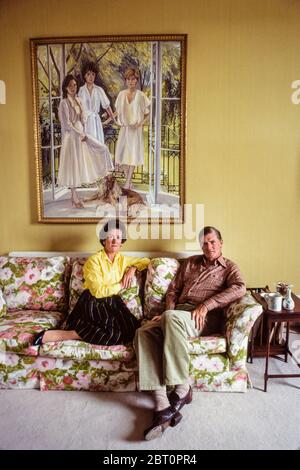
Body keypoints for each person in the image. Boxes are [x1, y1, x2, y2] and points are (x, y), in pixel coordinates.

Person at [134, 226, 246, 441]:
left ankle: (182, 387)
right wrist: (168, 312)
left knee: (170, 318)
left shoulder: (229, 267)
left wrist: (207, 304)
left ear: (221, 243)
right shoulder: (190, 263)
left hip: (204, 317)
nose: (209, 246)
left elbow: (240, 287)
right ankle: (162, 404)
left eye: (213, 242)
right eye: (205, 243)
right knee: (143, 332)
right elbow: (174, 289)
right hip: (178, 314)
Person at [33, 219, 150, 346]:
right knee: (110, 333)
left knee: (132, 330)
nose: (115, 241)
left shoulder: (123, 259)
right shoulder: (93, 261)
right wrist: (121, 285)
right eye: (111, 237)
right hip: (93, 302)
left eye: (118, 237)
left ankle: (81, 333)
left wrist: (132, 268)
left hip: (113, 302)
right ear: (104, 240)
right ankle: (64, 334)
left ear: (122, 242)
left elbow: (146, 261)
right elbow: (98, 292)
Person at [57, 74, 114, 208]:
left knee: (102, 149)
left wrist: (84, 123)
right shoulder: (63, 103)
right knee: (73, 164)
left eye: (75, 85)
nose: (73, 88)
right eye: (70, 85)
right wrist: (80, 133)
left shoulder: (79, 100)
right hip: (72, 137)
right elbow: (66, 124)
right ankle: (74, 196)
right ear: (65, 87)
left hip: (82, 133)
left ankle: (103, 187)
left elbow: (83, 118)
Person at [115, 68, 151, 189]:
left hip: (135, 130)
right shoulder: (121, 95)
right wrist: (113, 120)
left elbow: (148, 113)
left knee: (132, 155)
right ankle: (128, 181)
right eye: (129, 79)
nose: (131, 81)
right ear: (126, 80)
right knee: (122, 156)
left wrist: (140, 123)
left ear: (136, 80)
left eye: (133, 79)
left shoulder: (141, 96)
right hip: (124, 129)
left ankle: (127, 183)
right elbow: (118, 111)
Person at [78, 62, 116, 144]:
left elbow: (107, 106)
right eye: (88, 74)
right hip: (85, 122)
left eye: (93, 74)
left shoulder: (99, 90)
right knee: (86, 146)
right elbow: (79, 108)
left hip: (95, 122)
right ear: (85, 76)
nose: (91, 77)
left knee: (97, 144)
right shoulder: (81, 90)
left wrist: (114, 120)